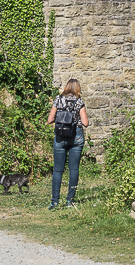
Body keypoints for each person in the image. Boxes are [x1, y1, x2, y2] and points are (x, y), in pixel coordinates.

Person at [47, 78, 89, 209]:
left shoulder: (58, 99)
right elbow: (85, 123)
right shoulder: (79, 101)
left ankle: (54, 201)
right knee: (74, 169)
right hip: (75, 136)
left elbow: (50, 120)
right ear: (77, 89)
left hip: (60, 136)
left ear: (66, 87)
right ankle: (70, 201)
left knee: (58, 170)